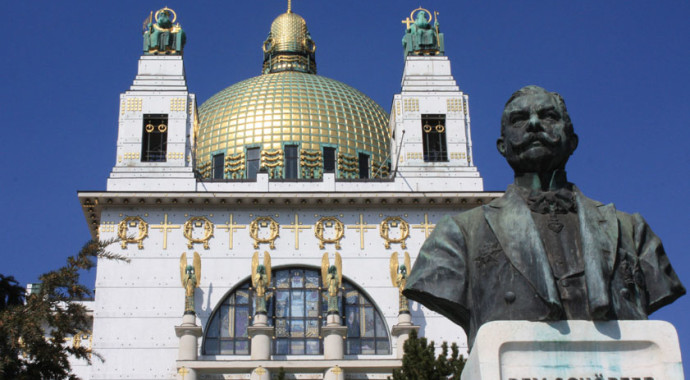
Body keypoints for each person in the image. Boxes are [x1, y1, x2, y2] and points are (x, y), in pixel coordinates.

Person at [403, 85, 685, 348]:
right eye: (519, 120)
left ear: (572, 141)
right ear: (502, 147)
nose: (534, 124)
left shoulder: (631, 231)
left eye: (548, 116)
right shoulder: (458, 235)